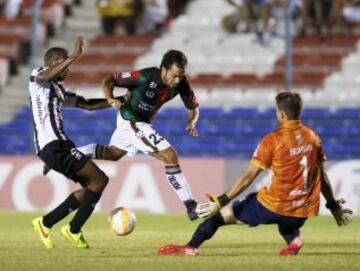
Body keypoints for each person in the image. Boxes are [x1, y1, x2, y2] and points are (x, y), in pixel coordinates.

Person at [158, 91, 353, 256]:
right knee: (286, 221)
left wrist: (221, 201)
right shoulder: (313, 137)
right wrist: (333, 205)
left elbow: (248, 176)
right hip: (302, 212)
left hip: (274, 205)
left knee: (218, 218)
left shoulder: (272, 140)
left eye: (277, 111)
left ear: (282, 114)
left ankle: (190, 247)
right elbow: (321, 176)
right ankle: (294, 240)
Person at [77, 49, 201, 221]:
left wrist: (191, 122)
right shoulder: (145, 77)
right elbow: (109, 80)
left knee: (113, 154)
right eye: (174, 75)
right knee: (170, 155)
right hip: (132, 121)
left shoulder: (181, 83)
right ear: (163, 69)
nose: (177, 80)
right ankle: (190, 205)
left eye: (180, 76)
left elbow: (193, 107)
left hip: (134, 122)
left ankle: (69, 154)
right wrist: (111, 98)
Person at [30, 37, 116, 249]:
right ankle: (72, 229)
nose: (68, 71)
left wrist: (117, 101)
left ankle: (46, 223)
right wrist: (73, 56)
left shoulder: (59, 90)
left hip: (59, 145)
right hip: (53, 145)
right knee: (100, 179)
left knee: (92, 187)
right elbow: (45, 76)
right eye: (64, 65)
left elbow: (87, 105)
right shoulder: (37, 77)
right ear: (53, 64)